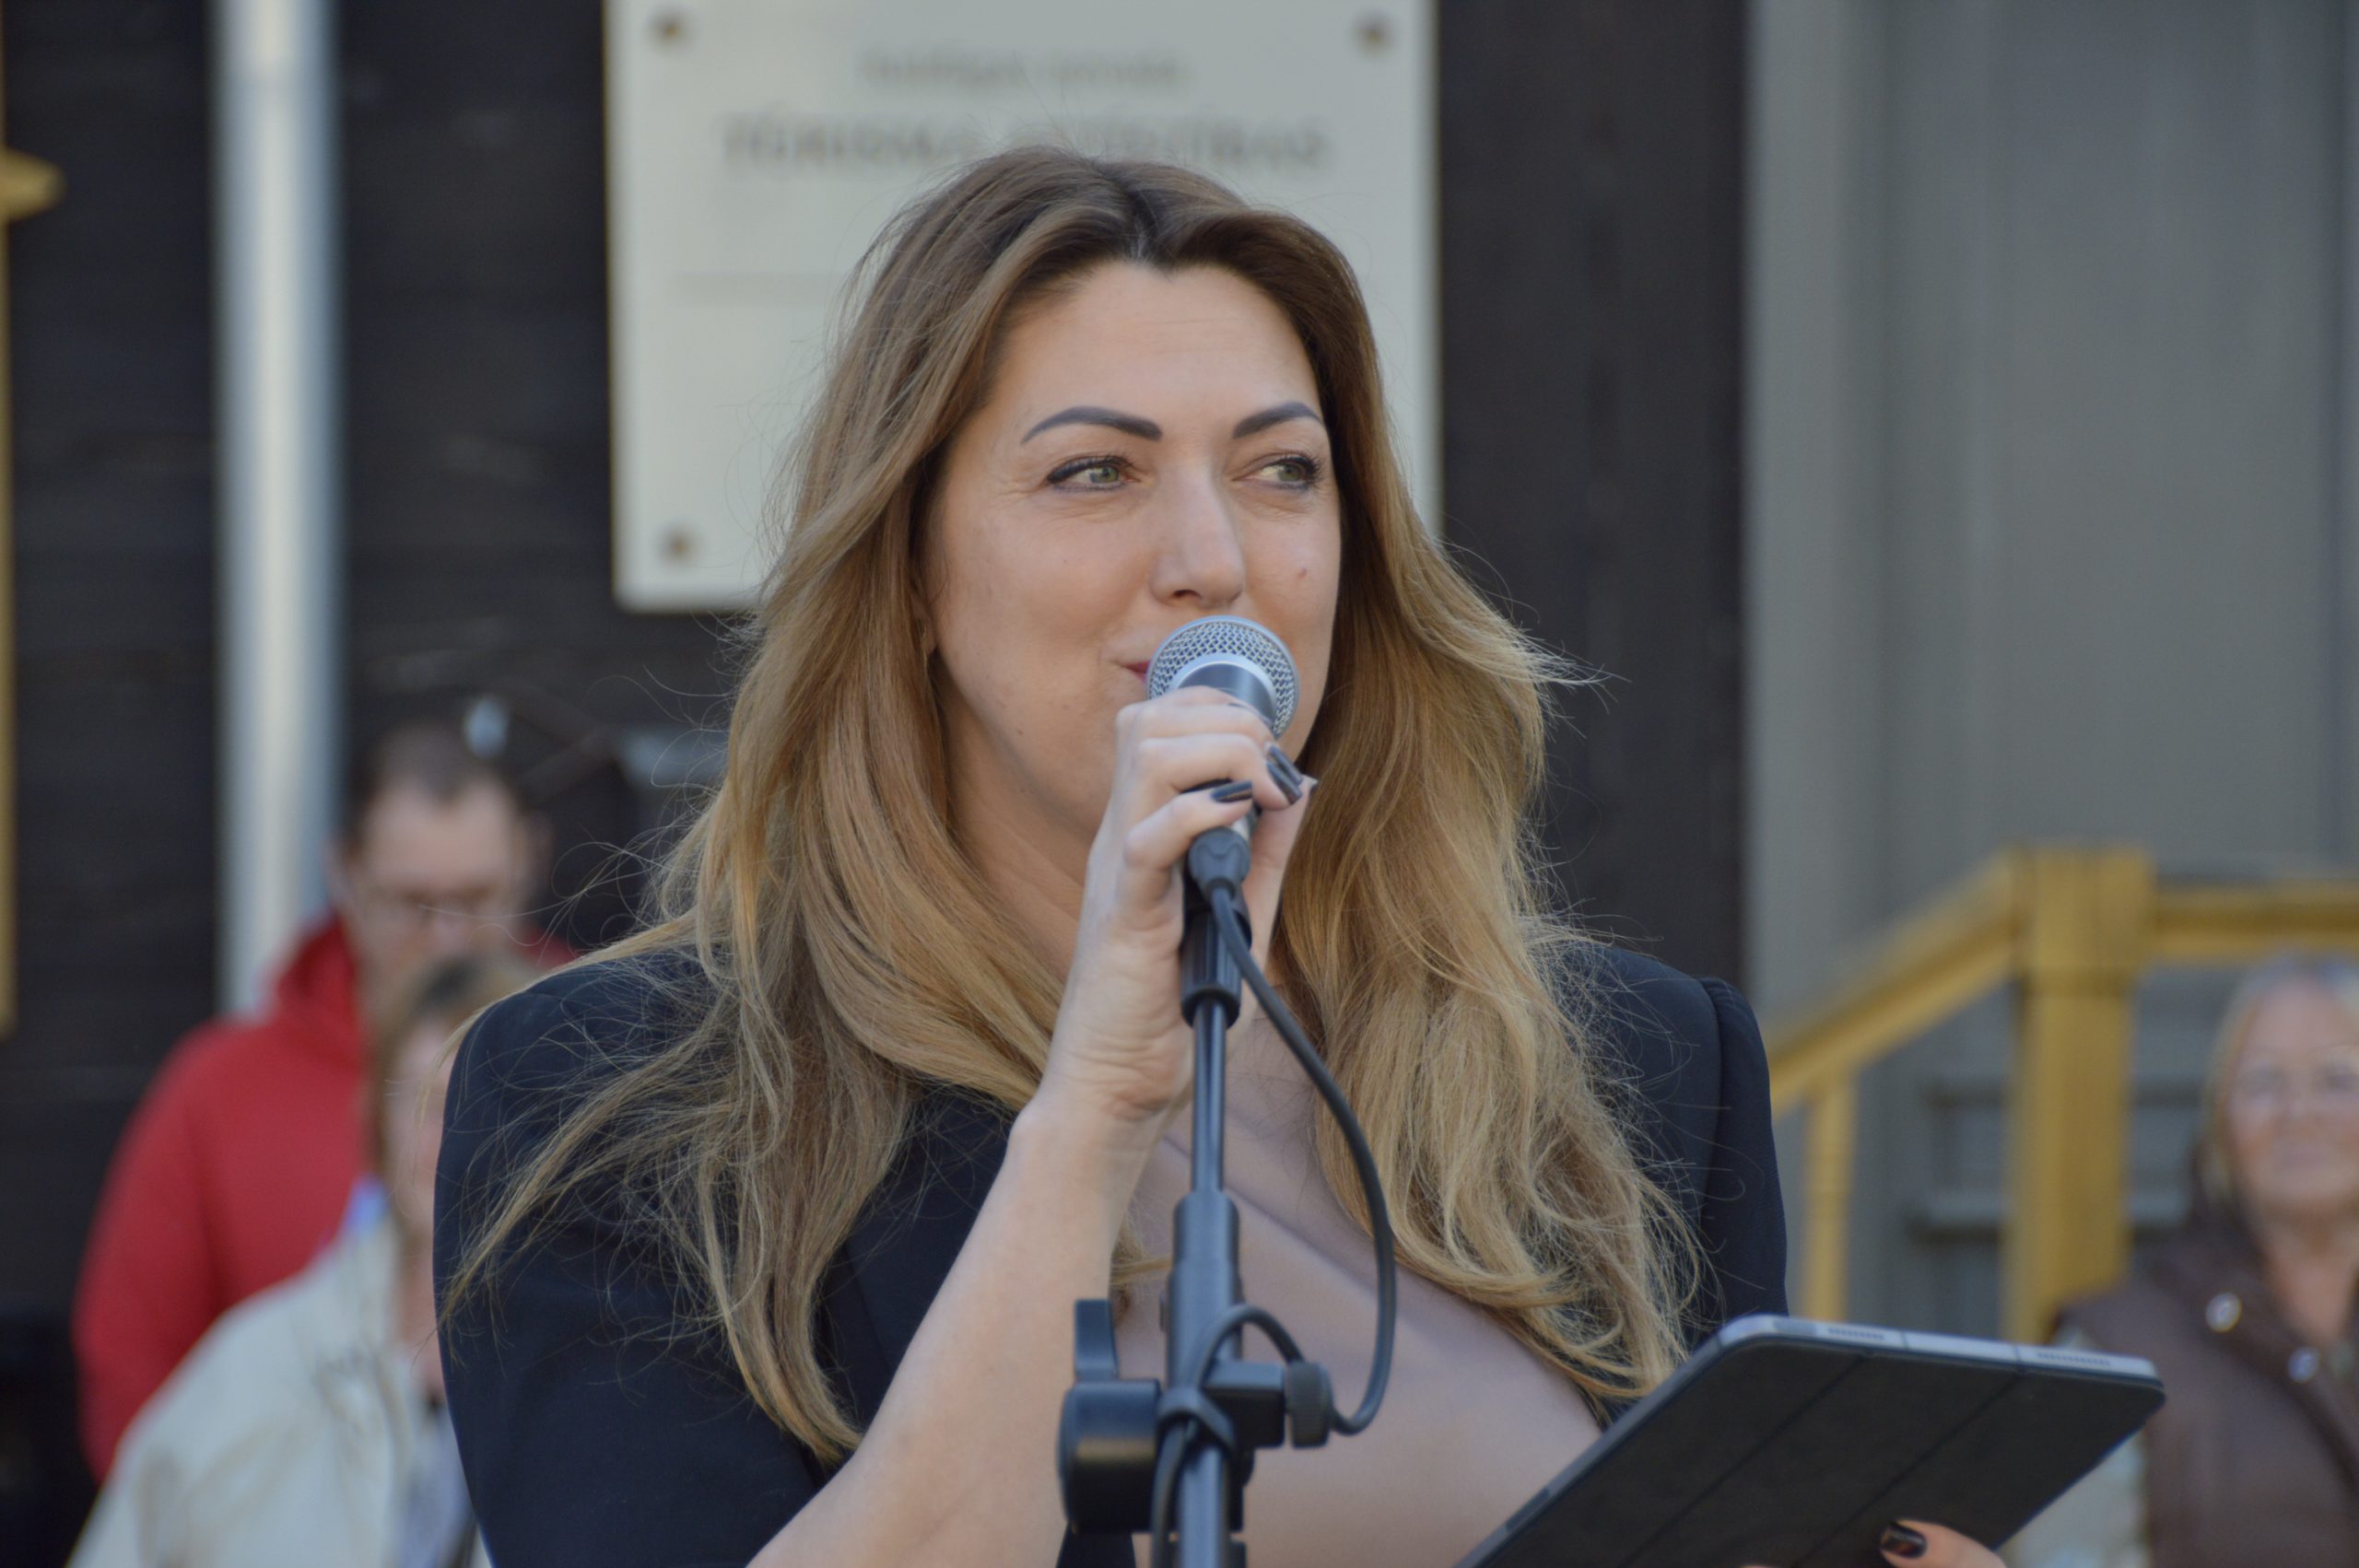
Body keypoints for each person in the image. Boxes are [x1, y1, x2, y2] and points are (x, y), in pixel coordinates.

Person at [435, 148, 1994, 1568]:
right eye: (1095, 472)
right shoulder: (622, 1106)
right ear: (908, 573)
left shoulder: (1637, 1069)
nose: (1214, 559)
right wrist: (1098, 1105)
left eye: (1281, 469)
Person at [73, 719, 558, 1477]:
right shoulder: (222, 1090)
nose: (448, 940)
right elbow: (133, 1386)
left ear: (527, 866)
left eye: (477, 897)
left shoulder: (599, 1060)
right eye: (412, 904)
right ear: (346, 879)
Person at [69, 951, 534, 1568]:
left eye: (491, 1103)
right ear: (378, 1126)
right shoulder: (256, 1371)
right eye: (427, 1103)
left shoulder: (610, 1381)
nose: (455, 1141)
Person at [2011, 957, 2359, 1567]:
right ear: (2220, 1125)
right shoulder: (2116, 1352)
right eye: (2263, 1082)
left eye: (2337, 1078)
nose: (2299, 1113)